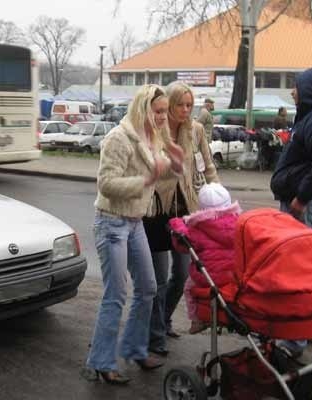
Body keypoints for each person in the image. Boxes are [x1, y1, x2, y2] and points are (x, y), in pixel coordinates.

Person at [85, 84, 184, 384]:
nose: (164, 117)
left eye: (165, 111)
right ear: (143, 109)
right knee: (116, 294)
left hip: (135, 222)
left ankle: (135, 348)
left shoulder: (152, 138)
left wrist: (176, 163)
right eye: (158, 111)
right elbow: (106, 184)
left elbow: (161, 173)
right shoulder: (119, 137)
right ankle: (101, 361)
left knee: (149, 287)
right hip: (111, 221)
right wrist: (145, 179)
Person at [270, 66, 312, 357]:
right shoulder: (309, 118)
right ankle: (309, 329)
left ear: (308, 89)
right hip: (299, 202)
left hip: (302, 205)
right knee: (304, 271)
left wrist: (301, 198)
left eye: (296, 86)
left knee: (295, 274)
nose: (292, 91)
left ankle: (293, 342)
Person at [149, 81, 219, 356]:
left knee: (182, 272)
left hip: (186, 209)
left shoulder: (196, 130)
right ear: (171, 103)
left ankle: (163, 320)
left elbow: (207, 164)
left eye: (190, 105)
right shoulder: (157, 129)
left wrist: (218, 191)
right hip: (159, 208)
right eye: (181, 104)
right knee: (158, 279)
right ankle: (154, 332)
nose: (186, 110)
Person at [169, 183, 241, 335]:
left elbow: (183, 246)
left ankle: (197, 320)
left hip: (207, 277)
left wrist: (176, 224)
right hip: (234, 275)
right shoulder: (238, 223)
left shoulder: (198, 227)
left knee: (188, 288)